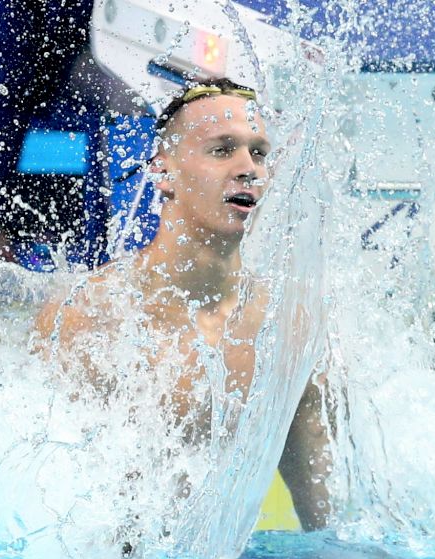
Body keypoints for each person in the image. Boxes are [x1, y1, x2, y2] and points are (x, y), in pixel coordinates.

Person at [34, 78, 333, 531]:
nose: (248, 168)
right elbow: (42, 520)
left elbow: (329, 531)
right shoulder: (87, 316)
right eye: (222, 149)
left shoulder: (287, 328)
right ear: (161, 172)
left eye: (259, 153)